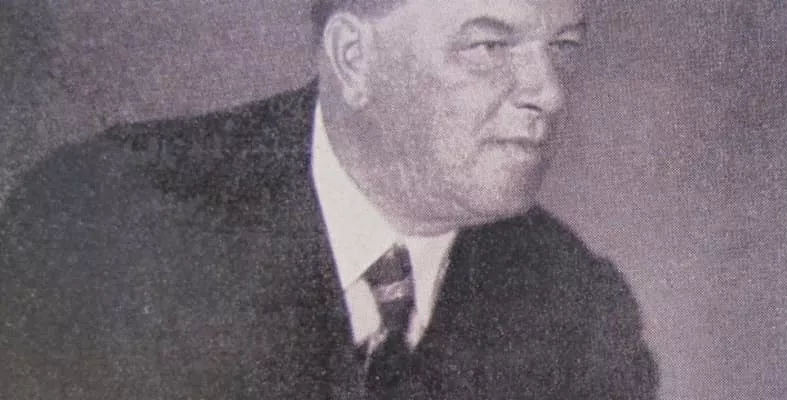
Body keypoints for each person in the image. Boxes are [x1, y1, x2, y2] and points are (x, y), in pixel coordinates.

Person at [0, 0, 658, 398]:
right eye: (488, 45)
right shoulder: (108, 218)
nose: (549, 92)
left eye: (563, 48)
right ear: (352, 58)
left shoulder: (580, 311)